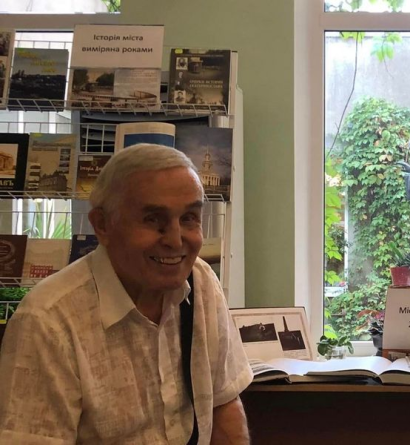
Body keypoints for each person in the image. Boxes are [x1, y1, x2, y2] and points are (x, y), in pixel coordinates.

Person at [0, 144, 253, 444]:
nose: (175, 241)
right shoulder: (48, 322)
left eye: (189, 218)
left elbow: (223, 403)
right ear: (102, 225)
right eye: (153, 219)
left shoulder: (201, 282)